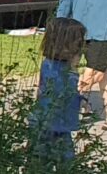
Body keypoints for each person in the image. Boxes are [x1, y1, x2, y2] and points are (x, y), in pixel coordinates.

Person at [34, 17, 86, 161]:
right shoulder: (61, 71)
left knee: (43, 158)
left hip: (51, 122)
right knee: (60, 159)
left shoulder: (49, 64)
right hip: (54, 123)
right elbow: (61, 93)